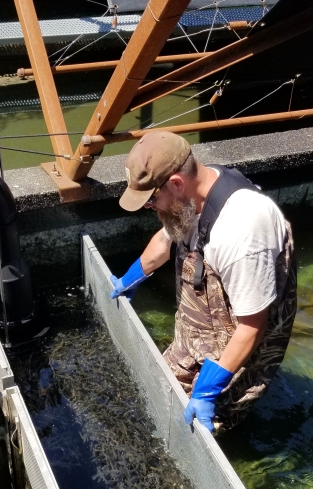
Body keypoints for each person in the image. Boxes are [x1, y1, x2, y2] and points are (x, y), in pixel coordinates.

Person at [110, 130, 296, 435]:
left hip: (246, 329)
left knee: (205, 427)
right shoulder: (191, 198)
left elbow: (252, 326)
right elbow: (164, 240)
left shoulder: (240, 233)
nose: (151, 208)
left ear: (176, 183)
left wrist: (208, 390)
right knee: (161, 388)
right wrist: (130, 279)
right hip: (204, 319)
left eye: (151, 200)